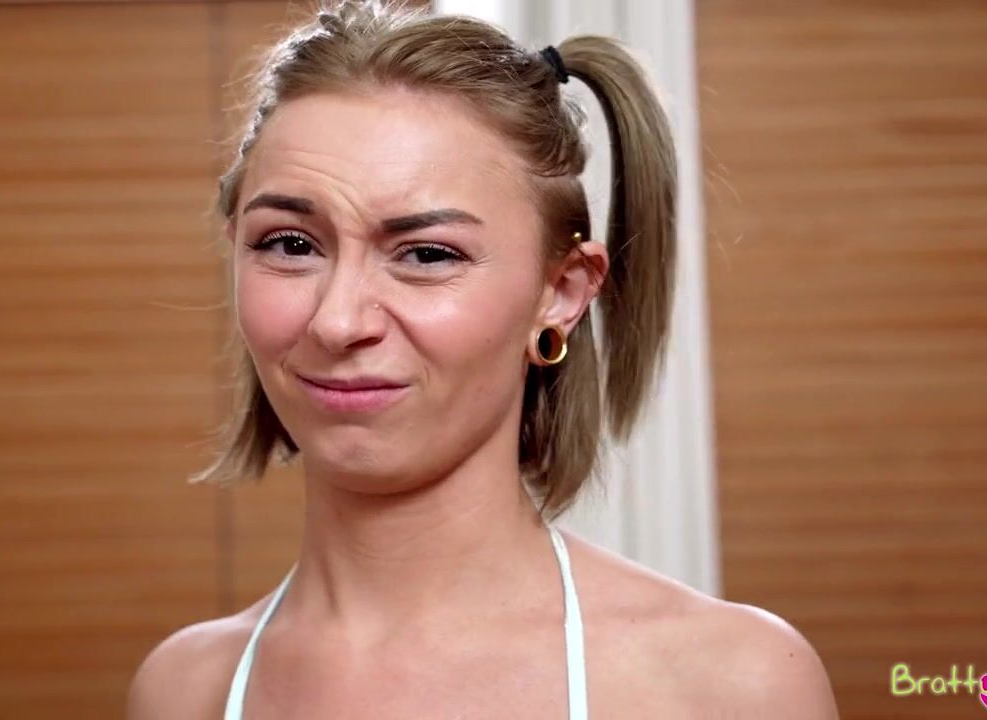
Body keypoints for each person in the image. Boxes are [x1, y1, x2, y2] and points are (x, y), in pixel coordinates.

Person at [128, 0, 840, 717]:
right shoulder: (181, 690)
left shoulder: (730, 685)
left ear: (560, 293)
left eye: (427, 255)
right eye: (289, 244)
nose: (337, 321)